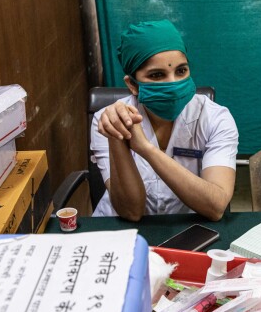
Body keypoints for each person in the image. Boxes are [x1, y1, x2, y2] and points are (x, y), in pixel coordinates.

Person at [91, 20, 238, 221]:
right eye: (157, 75)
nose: (173, 84)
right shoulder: (107, 120)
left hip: (187, 228)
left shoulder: (215, 118)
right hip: (121, 231)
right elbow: (131, 212)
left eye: (181, 71)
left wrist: (147, 149)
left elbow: (216, 205)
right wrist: (117, 136)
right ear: (133, 85)